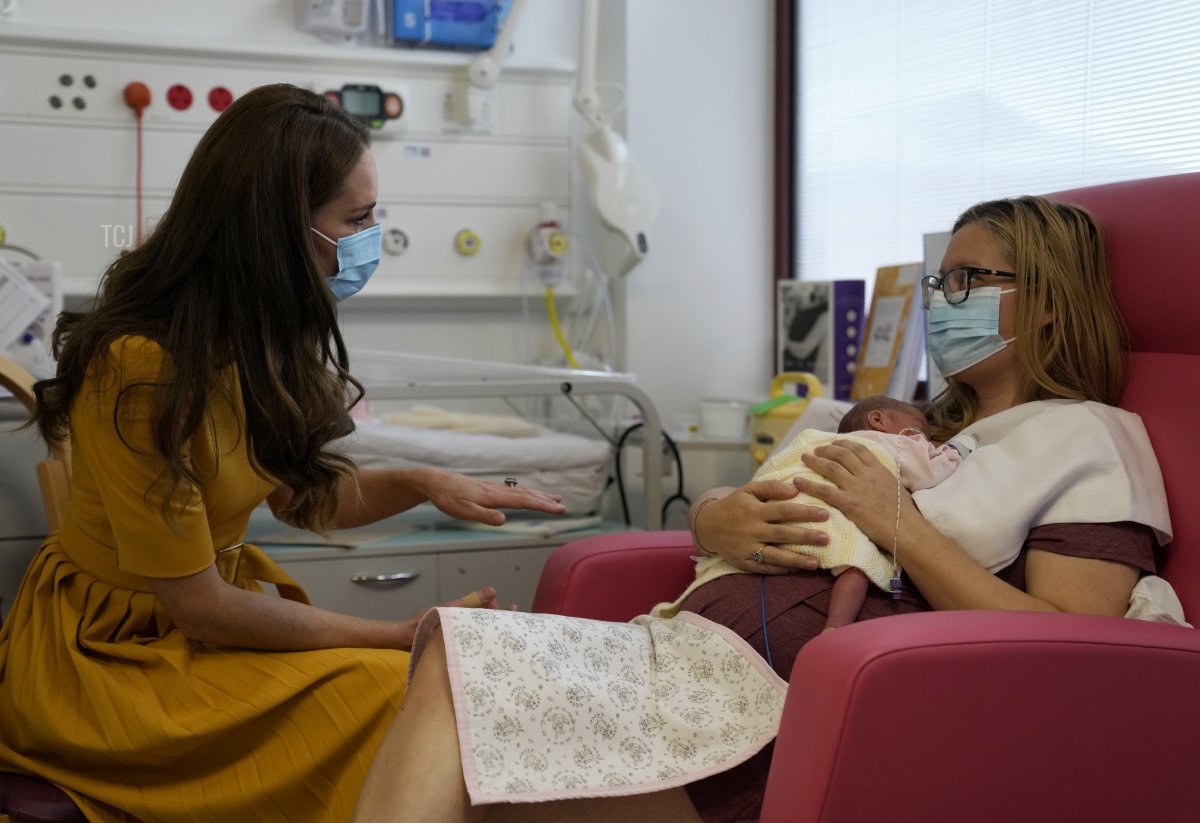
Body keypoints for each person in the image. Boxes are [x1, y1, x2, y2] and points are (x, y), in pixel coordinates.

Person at [351, 195, 1173, 823]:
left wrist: (903, 528)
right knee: (453, 662)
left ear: (1052, 302)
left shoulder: (1085, 437)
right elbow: (759, 485)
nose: (942, 298)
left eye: (968, 281)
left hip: (789, 702)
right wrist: (712, 516)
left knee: (459, 693)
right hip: (694, 661)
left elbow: (1067, 638)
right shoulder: (910, 420)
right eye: (939, 280)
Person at [0, 83, 566, 823]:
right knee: (398, 698)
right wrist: (398, 634)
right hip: (108, 662)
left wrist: (426, 483)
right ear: (273, 231)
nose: (370, 237)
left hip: (197, 635)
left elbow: (302, 498)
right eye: (357, 220)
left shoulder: (265, 336)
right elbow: (198, 606)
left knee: (431, 700)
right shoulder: (141, 368)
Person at [654, 395, 966, 633]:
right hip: (707, 633)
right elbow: (749, 494)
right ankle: (835, 627)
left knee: (856, 563)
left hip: (730, 648)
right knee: (854, 566)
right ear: (878, 420)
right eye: (919, 435)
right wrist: (706, 519)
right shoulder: (901, 442)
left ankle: (833, 629)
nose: (922, 441)